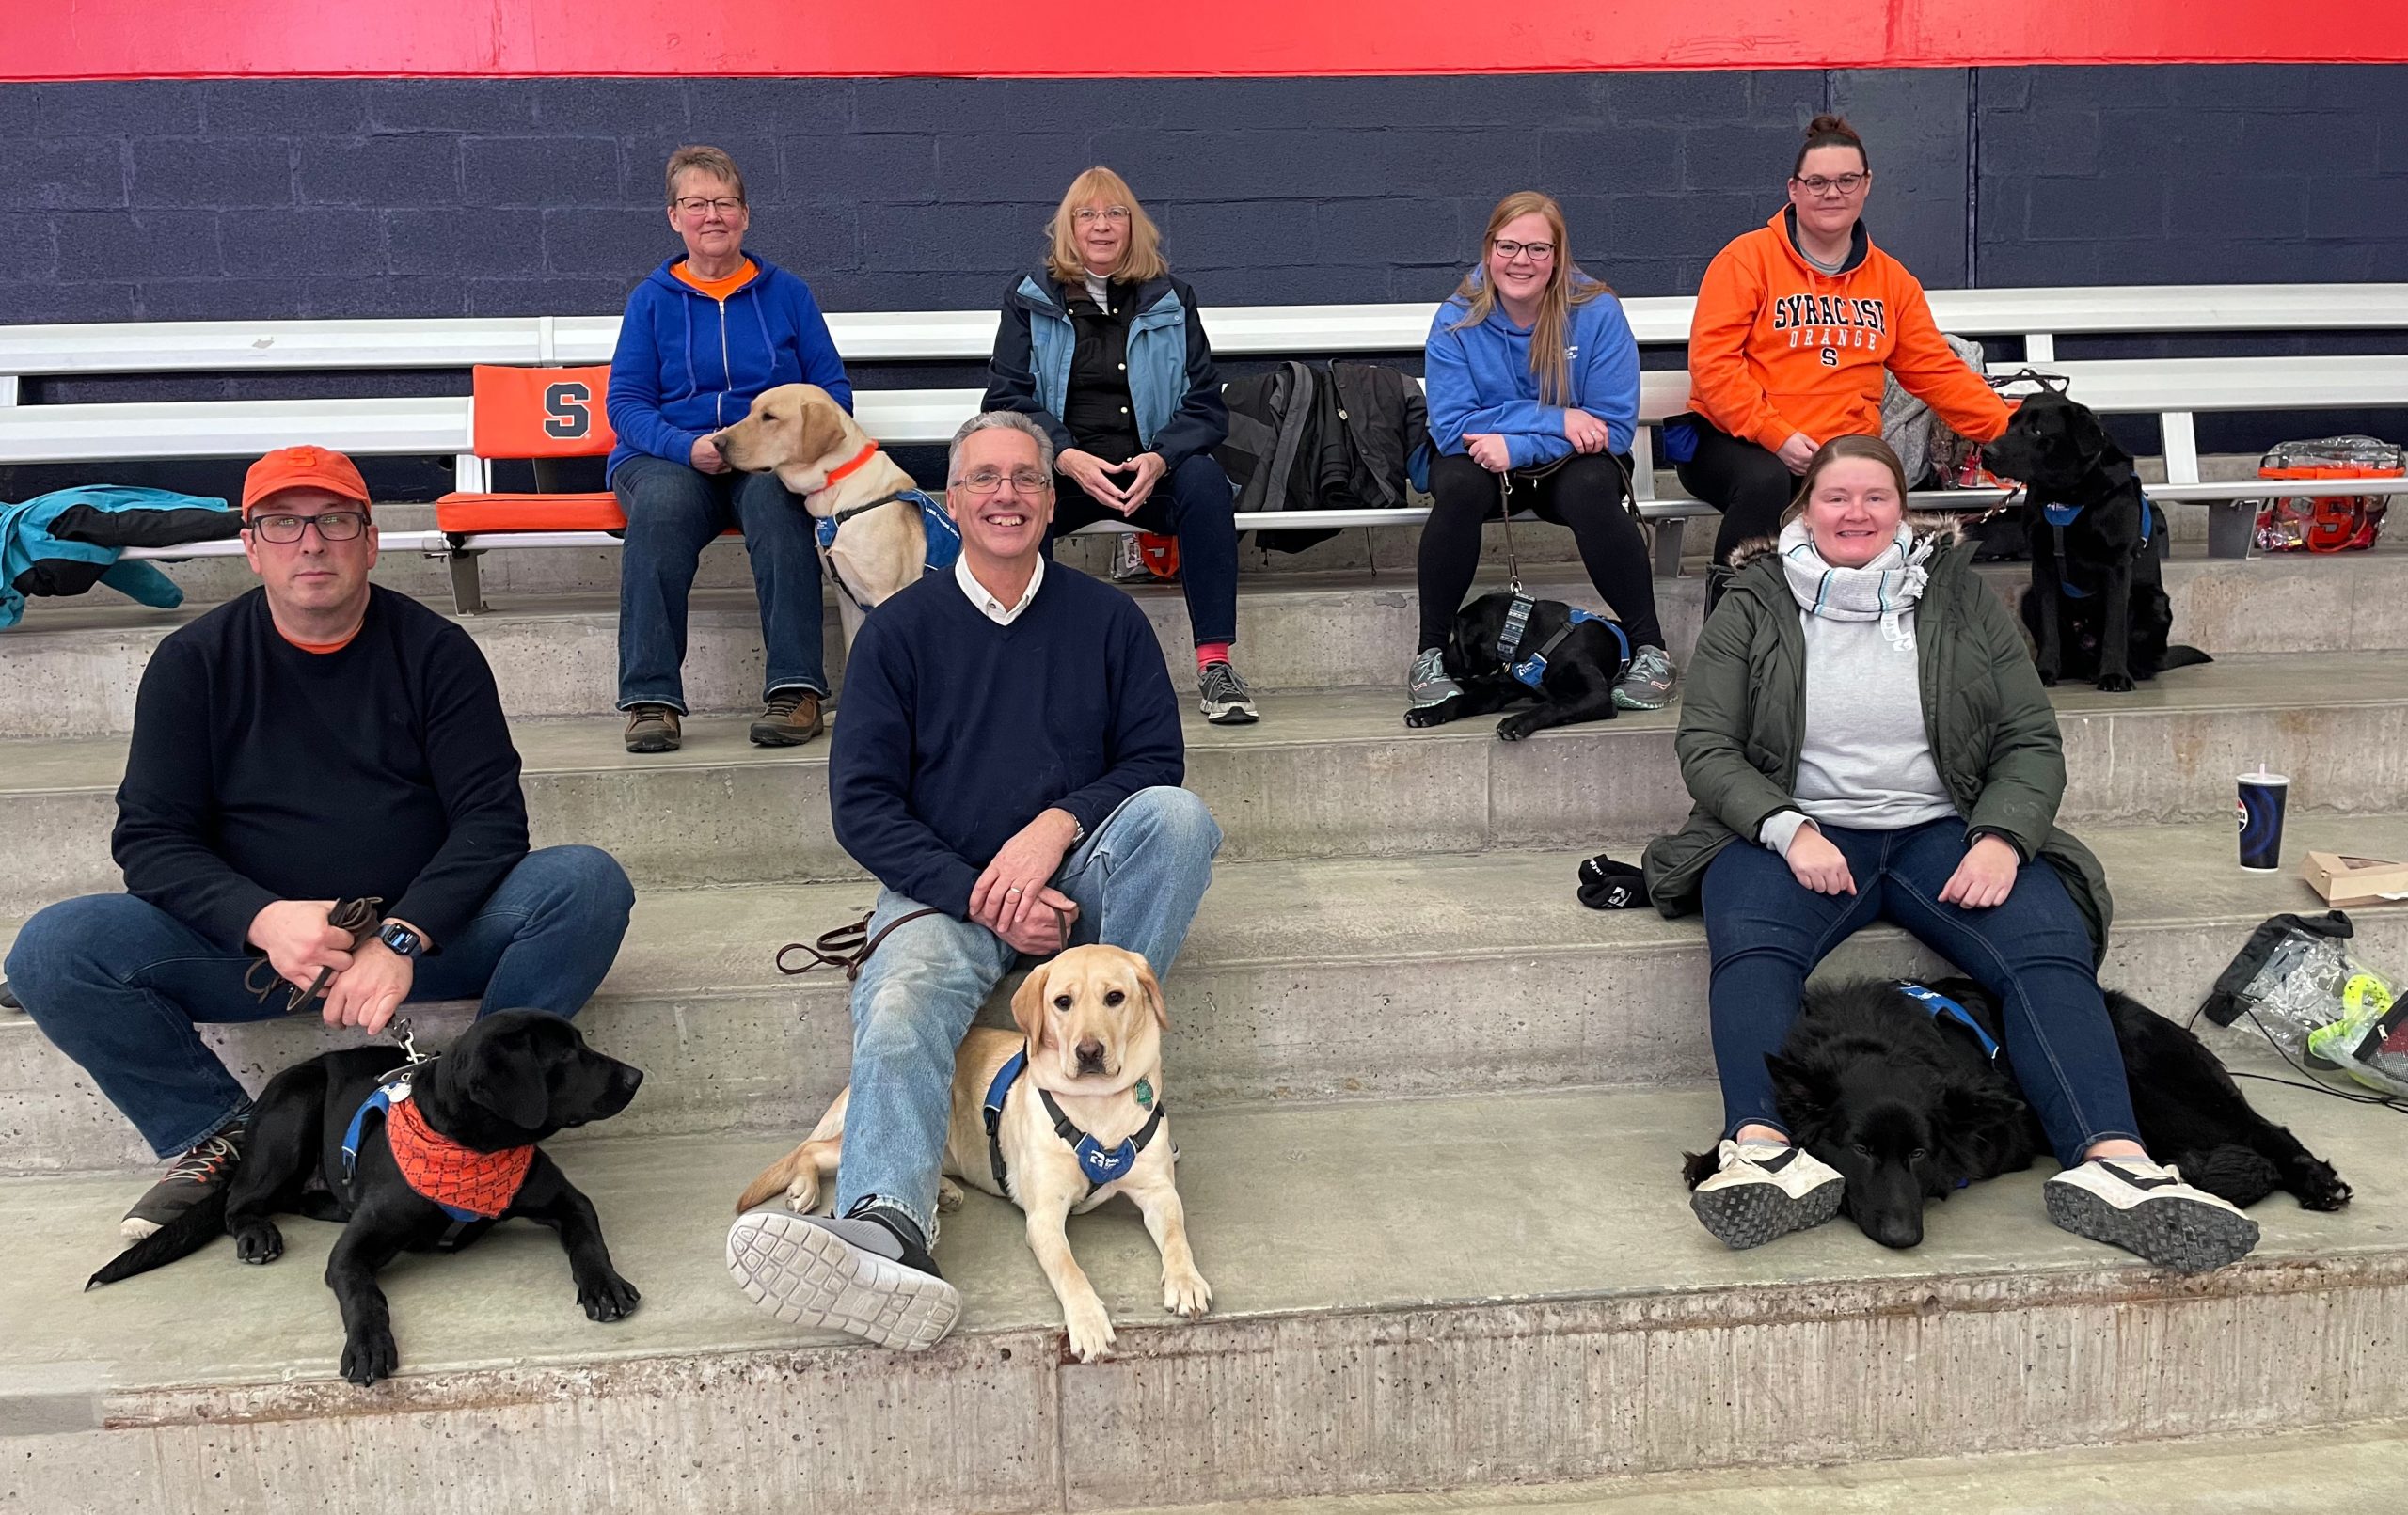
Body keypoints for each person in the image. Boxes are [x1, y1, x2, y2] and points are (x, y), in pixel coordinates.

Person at [1640, 434, 2258, 1271]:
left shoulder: (1957, 599)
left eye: (1874, 498)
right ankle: (1762, 1148)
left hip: (1945, 829)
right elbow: (1708, 745)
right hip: (1802, 830)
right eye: (1835, 497)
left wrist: (2004, 833)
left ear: (1902, 508)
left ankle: (2115, 1165)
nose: (1855, 513)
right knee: (1749, 937)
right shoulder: (1753, 600)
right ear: (1804, 509)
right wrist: (1787, 827)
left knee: (2046, 945)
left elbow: (2030, 739)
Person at [4, 446, 635, 1240]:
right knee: (54, 951)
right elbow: (151, 839)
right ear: (252, 544)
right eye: (283, 523)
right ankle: (222, 1133)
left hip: (424, 938)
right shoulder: (193, 663)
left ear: (370, 541)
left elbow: (492, 821)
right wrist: (262, 917)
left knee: (585, 883)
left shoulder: (436, 652)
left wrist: (402, 934)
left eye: (335, 521)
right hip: (260, 957)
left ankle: (470, 1101)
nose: (311, 543)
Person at [724, 412, 1222, 1349]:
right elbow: (863, 807)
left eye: (1027, 479)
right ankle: (886, 1227)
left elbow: (1157, 757)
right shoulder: (898, 631)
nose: (1005, 494)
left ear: (1049, 499)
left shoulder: (1106, 620)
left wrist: (1055, 826)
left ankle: (1104, 1073)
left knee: (1177, 822)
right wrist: (978, 890)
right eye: (984, 479)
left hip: (1074, 878)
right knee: (905, 994)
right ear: (950, 502)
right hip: (940, 890)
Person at [1676, 115, 2011, 615]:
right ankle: (1729, 630)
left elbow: (1937, 374)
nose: (1831, 193)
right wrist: (1776, 435)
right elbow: (1714, 366)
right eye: (1817, 182)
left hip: (1838, 447)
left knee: (1867, 490)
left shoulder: (1891, 280)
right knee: (1768, 479)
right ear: (1794, 189)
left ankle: (1864, 629)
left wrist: (2012, 429)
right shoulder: (1746, 260)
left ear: (1866, 185)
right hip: (1735, 440)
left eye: (1846, 180)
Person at [985, 166, 1259, 726]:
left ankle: (1215, 667)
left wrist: (1159, 459)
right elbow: (1006, 399)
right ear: (1068, 229)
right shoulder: (1029, 298)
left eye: (1115, 214)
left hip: (1148, 473)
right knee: (1018, 496)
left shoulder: (1171, 299)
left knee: (1205, 481)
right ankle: (1032, 671)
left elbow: (1205, 403)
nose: (1102, 226)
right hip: (1067, 471)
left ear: (1134, 228)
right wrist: (1062, 454)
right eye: (1088, 215)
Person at [608, 144, 853, 754]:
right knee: (660, 509)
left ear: (745, 215)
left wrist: (781, 449)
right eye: (696, 203)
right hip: (669, 458)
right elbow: (626, 403)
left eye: (725, 202)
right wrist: (684, 447)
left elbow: (831, 392)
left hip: (764, 462)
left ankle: (796, 692)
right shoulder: (651, 299)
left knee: (779, 504)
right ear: (674, 217)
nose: (711, 215)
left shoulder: (787, 294)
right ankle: (651, 699)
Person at [1411, 191, 1676, 722]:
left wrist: (1520, 442)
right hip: (1481, 458)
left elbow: (1613, 427)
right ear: (1489, 250)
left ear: (1558, 256)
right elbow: (1451, 427)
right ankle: (1430, 655)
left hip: (1566, 466)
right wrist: (1555, 419)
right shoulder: (1457, 317)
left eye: (1537, 248)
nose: (1521, 261)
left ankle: (1650, 650)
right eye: (1508, 246)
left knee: (1592, 489)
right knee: (1458, 487)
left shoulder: (1596, 311)